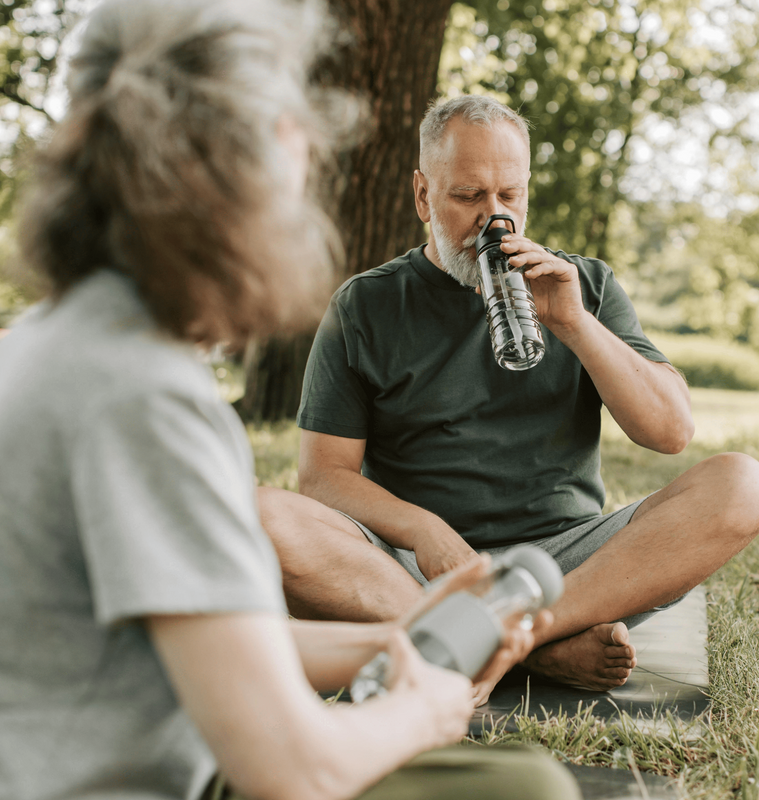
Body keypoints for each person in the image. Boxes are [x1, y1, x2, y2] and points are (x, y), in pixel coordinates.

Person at [0, 3, 580, 800]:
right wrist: (425, 709)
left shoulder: (55, 342)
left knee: (510, 773)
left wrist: (400, 638)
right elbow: (293, 772)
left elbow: (217, 641)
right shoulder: (143, 402)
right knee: (524, 791)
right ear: (225, 182)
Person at [260, 94, 759, 703]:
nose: (494, 218)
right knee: (263, 518)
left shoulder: (585, 286)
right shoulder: (365, 305)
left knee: (744, 486)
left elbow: (670, 433)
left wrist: (574, 323)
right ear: (424, 195)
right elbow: (322, 478)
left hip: (563, 570)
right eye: (468, 197)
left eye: (511, 195)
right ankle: (537, 651)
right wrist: (422, 529)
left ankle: (502, 640)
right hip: (414, 570)